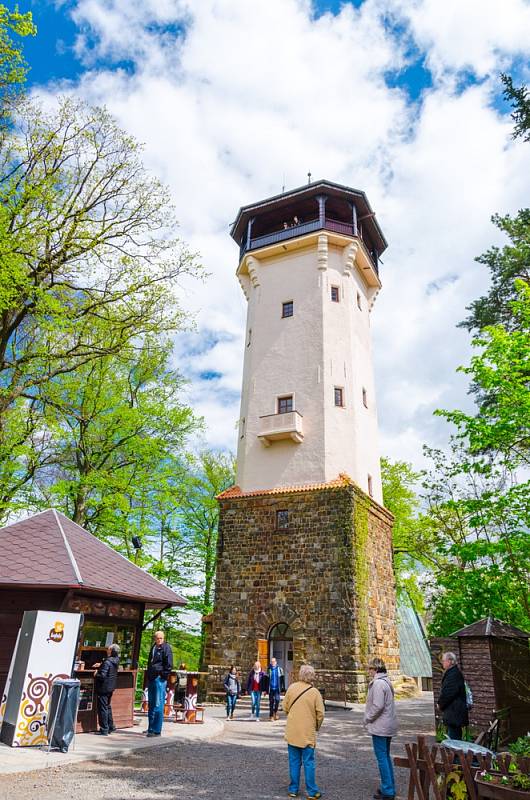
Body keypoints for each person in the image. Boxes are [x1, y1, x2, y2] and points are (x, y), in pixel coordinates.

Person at [283, 664, 325, 800]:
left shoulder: (292, 688)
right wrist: (316, 727)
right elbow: (321, 714)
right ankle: (312, 791)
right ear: (312, 676)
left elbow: (285, 707)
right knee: (308, 762)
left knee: (294, 761)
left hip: (293, 731)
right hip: (307, 732)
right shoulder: (315, 693)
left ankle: (293, 789)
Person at [364, 657, 398, 800]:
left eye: (370, 669)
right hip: (387, 725)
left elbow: (378, 705)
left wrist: (367, 718)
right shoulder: (386, 681)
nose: (368, 671)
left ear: (376, 669)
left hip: (381, 726)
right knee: (385, 757)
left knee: (382, 758)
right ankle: (389, 786)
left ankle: (388, 790)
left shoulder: (378, 683)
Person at [146, 630, 173, 737]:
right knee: (151, 704)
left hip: (159, 679)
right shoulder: (153, 647)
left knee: (158, 704)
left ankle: (156, 729)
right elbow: (150, 662)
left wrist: (162, 675)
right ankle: (150, 728)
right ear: (155, 638)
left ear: (163, 638)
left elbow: (169, 665)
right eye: (157, 638)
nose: (159, 640)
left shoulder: (166, 648)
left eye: (161, 638)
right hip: (152, 678)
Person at [437, 651, 469, 740]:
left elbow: (448, 693)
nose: (442, 662)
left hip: (454, 712)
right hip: (454, 711)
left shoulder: (453, 674)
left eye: (444, 660)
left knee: (454, 740)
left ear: (450, 661)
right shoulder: (453, 672)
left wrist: (440, 704)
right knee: (454, 736)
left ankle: (455, 754)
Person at [94, 643, 120, 736]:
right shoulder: (116, 660)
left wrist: (96, 674)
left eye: (109, 649)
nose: (107, 651)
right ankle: (110, 726)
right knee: (107, 707)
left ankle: (104, 729)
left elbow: (102, 676)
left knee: (102, 708)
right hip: (110, 687)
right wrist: (101, 664)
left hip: (103, 688)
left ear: (112, 651)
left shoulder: (107, 661)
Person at [268, 656, 285, 721]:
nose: (273, 663)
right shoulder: (269, 669)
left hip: (277, 688)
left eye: (274, 661)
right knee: (271, 702)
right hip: (271, 688)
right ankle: (271, 715)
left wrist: (283, 688)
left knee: (277, 700)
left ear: (276, 662)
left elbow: (282, 679)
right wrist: (265, 690)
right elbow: (266, 680)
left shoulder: (280, 669)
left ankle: (275, 712)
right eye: (272, 662)